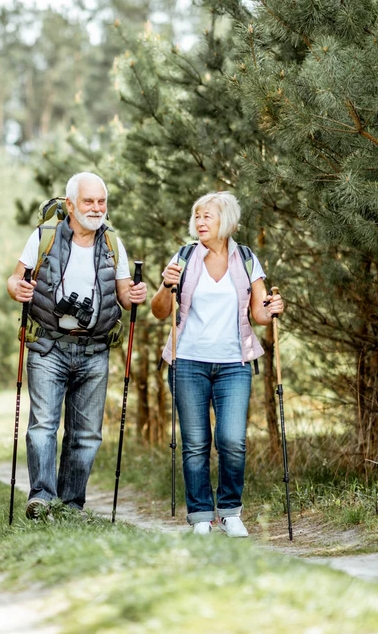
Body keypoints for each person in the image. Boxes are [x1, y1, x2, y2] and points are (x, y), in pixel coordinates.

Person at [7, 172, 148, 519]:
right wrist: (17, 289)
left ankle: (71, 505)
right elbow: (15, 278)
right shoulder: (44, 236)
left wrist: (136, 294)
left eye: (102, 201)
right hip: (47, 348)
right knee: (43, 426)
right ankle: (41, 498)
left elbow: (125, 296)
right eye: (89, 201)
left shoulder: (113, 243)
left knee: (85, 434)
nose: (97, 208)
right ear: (70, 205)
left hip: (95, 349)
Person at [150, 191, 285, 537]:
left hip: (233, 364)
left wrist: (271, 310)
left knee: (232, 439)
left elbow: (258, 314)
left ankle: (229, 511)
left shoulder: (246, 258)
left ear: (225, 220)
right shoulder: (183, 257)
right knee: (195, 443)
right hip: (188, 362)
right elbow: (160, 310)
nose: (199, 222)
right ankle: (199, 516)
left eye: (206, 216)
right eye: (197, 217)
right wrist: (167, 286)